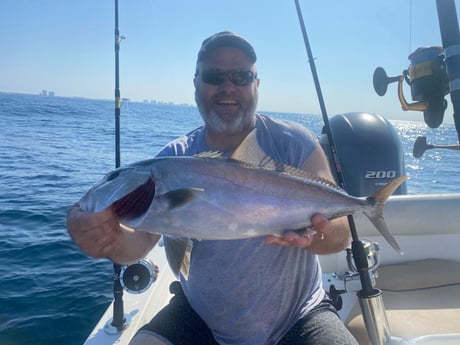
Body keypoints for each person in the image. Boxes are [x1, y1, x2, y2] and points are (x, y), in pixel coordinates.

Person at [67, 31, 358, 345]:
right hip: (199, 316)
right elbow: (137, 245)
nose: (228, 87)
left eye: (242, 76)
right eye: (214, 76)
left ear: (256, 85)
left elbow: (341, 234)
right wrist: (108, 240)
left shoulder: (294, 142)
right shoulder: (173, 159)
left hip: (300, 316)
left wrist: (316, 235)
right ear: (196, 84)